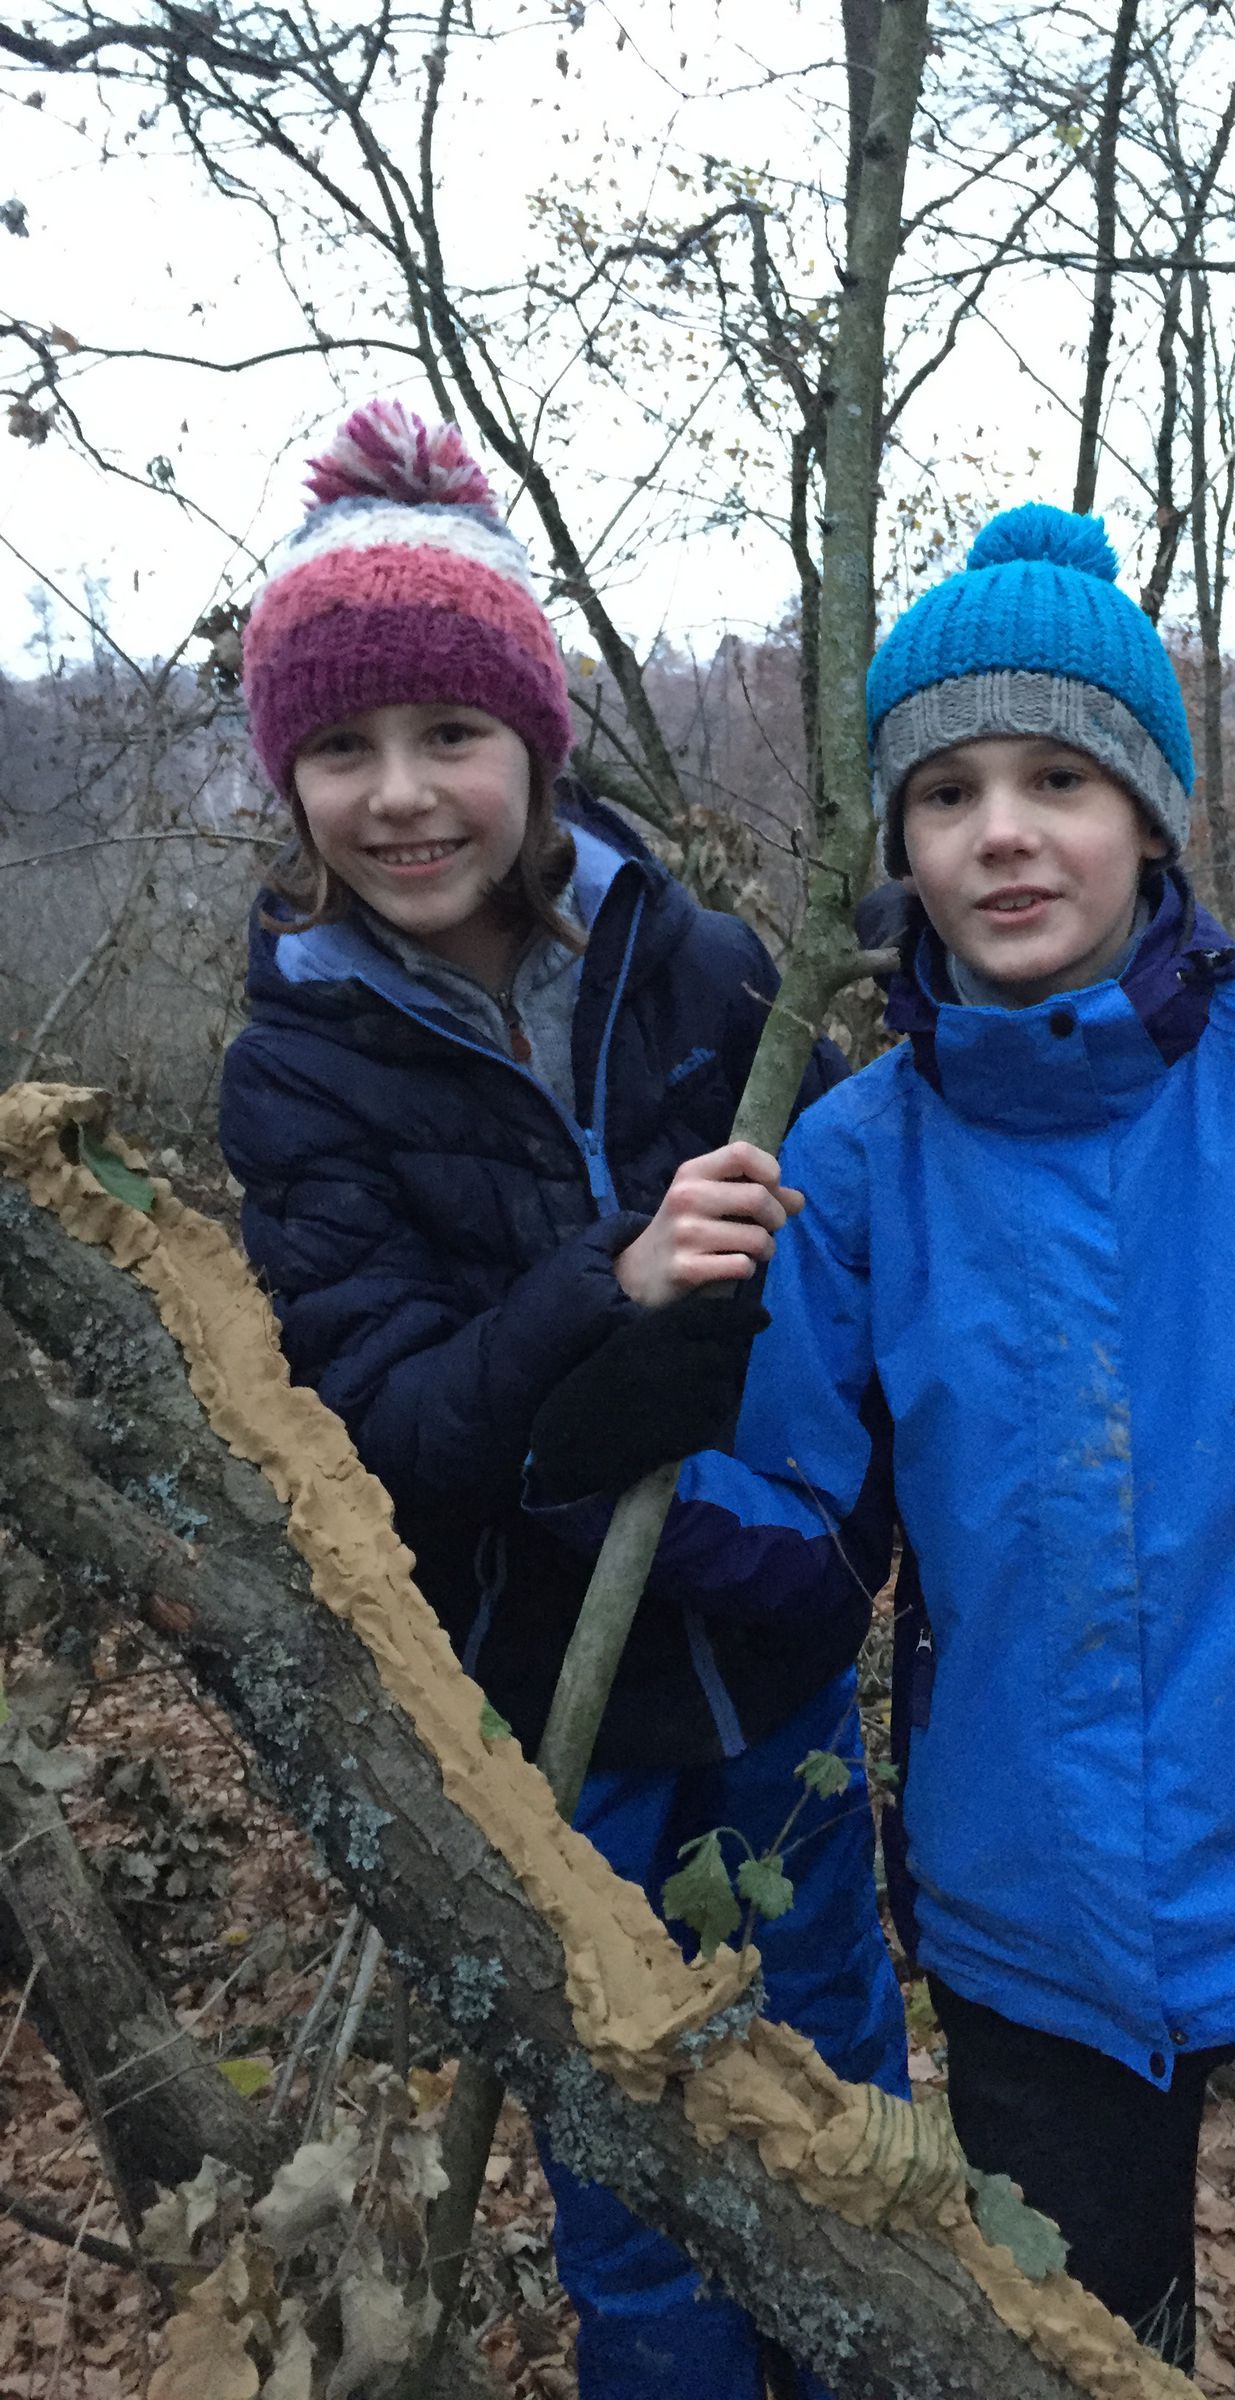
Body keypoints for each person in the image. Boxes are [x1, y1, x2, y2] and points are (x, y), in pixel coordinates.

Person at [532, 505, 1235, 2397]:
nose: (1002, 831)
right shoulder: (858, 1162)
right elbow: (799, 1543)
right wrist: (602, 1434)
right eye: (949, 790)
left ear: (1149, 812)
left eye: (1058, 776)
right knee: (1069, 2374)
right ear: (899, 845)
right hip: (1020, 1940)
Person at [218, 399, 907, 2400]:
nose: (401, 795)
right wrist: (600, 1284)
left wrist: (830, 1551)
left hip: (770, 1655)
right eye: (341, 749)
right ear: (290, 780)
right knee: (633, 2165)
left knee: (847, 2092)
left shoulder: (698, 965)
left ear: (537, 748)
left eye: (450, 738)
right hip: (548, 1708)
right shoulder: (301, 1068)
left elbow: (848, 1252)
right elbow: (396, 1429)